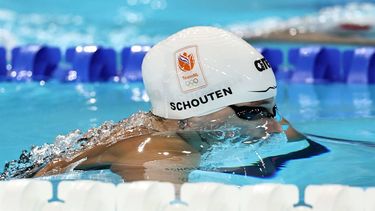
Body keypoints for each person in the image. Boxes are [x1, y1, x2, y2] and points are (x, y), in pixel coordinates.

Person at [10, 26, 327, 183]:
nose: (272, 125)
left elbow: (303, 148)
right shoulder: (163, 151)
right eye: (252, 112)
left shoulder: (186, 127)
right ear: (190, 114)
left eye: (272, 108)